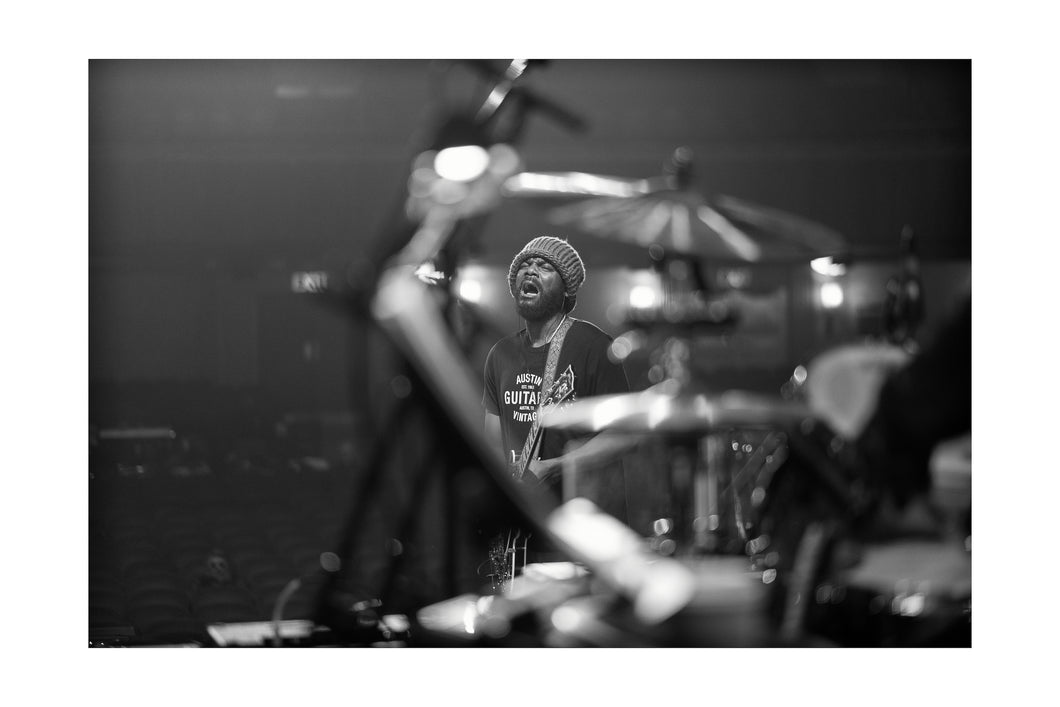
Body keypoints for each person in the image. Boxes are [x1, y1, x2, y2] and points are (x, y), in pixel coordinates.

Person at [481, 236, 631, 507]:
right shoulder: (500, 353)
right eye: (525, 265)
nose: (530, 270)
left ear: (567, 290)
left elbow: (623, 434)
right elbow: (491, 440)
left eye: (544, 266)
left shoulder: (594, 346)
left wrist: (557, 466)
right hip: (520, 517)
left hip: (578, 514)